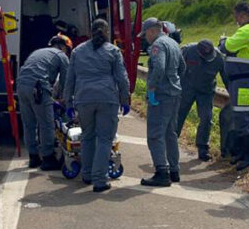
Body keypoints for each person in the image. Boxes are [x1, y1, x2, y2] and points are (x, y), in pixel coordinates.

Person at [63, 19, 130, 193]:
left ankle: (86, 175)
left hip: (83, 99)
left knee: (87, 137)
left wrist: (69, 102)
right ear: (106, 32)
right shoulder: (113, 51)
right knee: (104, 139)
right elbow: (122, 78)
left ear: (90, 31)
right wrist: (125, 99)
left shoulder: (78, 51)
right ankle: (99, 180)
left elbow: (70, 79)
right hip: (107, 99)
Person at [218, 1, 249, 171]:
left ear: (244, 14)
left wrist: (224, 42)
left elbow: (227, 46)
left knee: (244, 117)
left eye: (237, 15)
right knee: (240, 116)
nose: (236, 19)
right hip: (241, 80)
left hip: (244, 80)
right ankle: (241, 153)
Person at [139, 17, 185, 187]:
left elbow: (159, 67)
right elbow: (182, 67)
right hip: (174, 94)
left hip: (161, 95)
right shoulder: (173, 43)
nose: (145, 39)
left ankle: (162, 172)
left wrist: (151, 88)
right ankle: (174, 170)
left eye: (145, 35)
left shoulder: (157, 46)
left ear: (152, 31)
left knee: (155, 134)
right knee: (170, 133)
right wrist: (175, 81)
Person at [16, 34, 72, 170]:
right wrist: (65, 102)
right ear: (65, 47)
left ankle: (33, 157)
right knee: (46, 123)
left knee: (29, 124)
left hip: (21, 87)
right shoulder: (61, 56)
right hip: (38, 89)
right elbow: (66, 83)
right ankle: (48, 158)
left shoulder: (38, 52)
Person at [175, 39, 226, 161]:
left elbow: (226, 77)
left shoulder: (218, 58)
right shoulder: (188, 50)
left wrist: (232, 93)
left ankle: (203, 148)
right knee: (178, 116)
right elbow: (176, 68)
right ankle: (170, 143)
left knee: (206, 118)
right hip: (187, 88)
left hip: (205, 92)